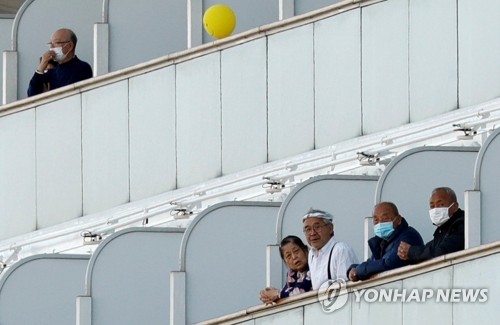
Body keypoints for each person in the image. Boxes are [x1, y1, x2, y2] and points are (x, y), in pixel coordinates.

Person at [347, 202, 423, 281]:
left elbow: (390, 264)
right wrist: (352, 269)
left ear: (398, 219)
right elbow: (372, 263)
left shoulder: (408, 236)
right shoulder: (382, 243)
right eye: (376, 220)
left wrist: (359, 270)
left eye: (385, 219)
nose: (380, 223)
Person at [397, 187, 464, 263]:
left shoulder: (461, 225)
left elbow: (442, 252)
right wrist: (407, 254)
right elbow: (430, 249)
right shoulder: (441, 231)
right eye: (432, 206)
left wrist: (412, 251)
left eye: (441, 204)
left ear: (455, 206)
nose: (435, 210)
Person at [302, 208, 358, 290]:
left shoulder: (340, 250)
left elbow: (347, 289)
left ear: (330, 228)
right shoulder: (312, 254)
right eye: (308, 229)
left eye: (317, 227)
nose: (312, 233)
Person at [27, 28, 92, 97]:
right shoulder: (52, 72)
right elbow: (32, 94)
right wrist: (41, 66)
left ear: (69, 46)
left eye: (57, 43)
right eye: (50, 44)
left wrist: (49, 95)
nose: (52, 47)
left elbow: (69, 94)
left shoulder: (82, 67)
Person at [259, 235, 312, 305]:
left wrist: (277, 293)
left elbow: (301, 291)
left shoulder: (314, 266)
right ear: (285, 262)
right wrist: (269, 297)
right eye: (288, 256)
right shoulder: (292, 274)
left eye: (296, 251)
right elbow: (287, 293)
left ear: (305, 250)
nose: (294, 257)